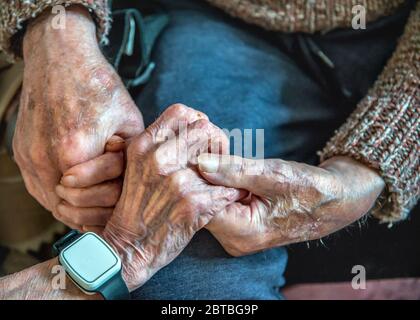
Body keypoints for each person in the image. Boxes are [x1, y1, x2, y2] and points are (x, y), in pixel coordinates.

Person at [0, 0, 418, 299]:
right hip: (219, 25)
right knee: (190, 286)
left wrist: (369, 168)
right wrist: (56, 32)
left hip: (399, 40)